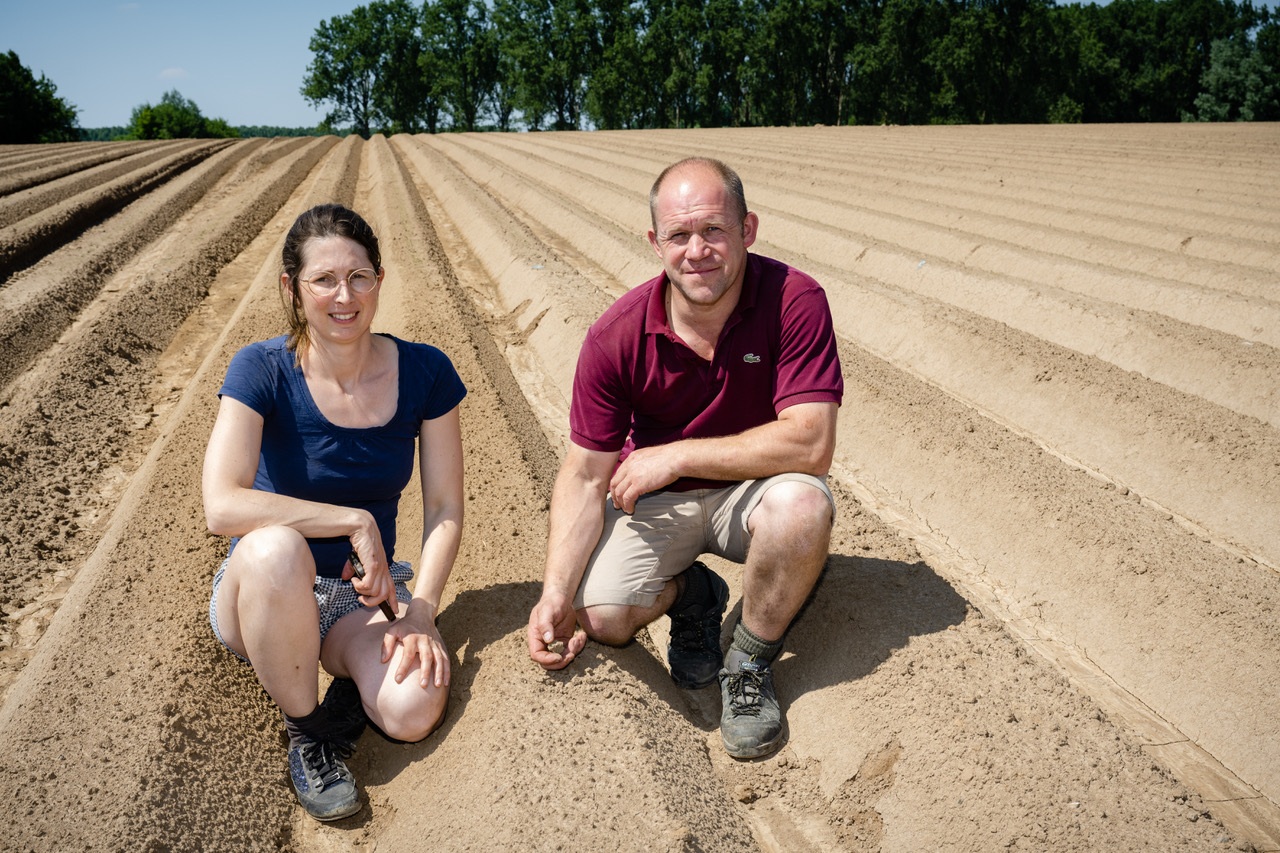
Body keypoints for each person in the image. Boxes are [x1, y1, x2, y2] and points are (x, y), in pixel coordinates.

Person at [526, 158, 842, 759]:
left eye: (714, 231)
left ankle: (749, 660)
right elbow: (586, 473)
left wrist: (674, 454)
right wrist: (554, 593)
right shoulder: (616, 336)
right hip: (659, 504)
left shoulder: (794, 300)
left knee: (802, 505)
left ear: (747, 229)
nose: (697, 251)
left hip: (753, 491)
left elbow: (811, 444)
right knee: (605, 615)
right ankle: (694, 596)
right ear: (655, 243)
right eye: (678, 235)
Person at [202, 204, 466, 820]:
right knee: (275, 547)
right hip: (262, 588)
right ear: (292, 288)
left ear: (379, 279)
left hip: (359, 593)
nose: (343, 296)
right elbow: (222, 505)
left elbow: (447, 508)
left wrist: (421, 611)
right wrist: (354, 521)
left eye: (359, 277)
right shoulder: (261, 367)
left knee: (412, 710)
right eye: (324, 280)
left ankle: (350, 684)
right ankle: (309, 735)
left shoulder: (426, 372)